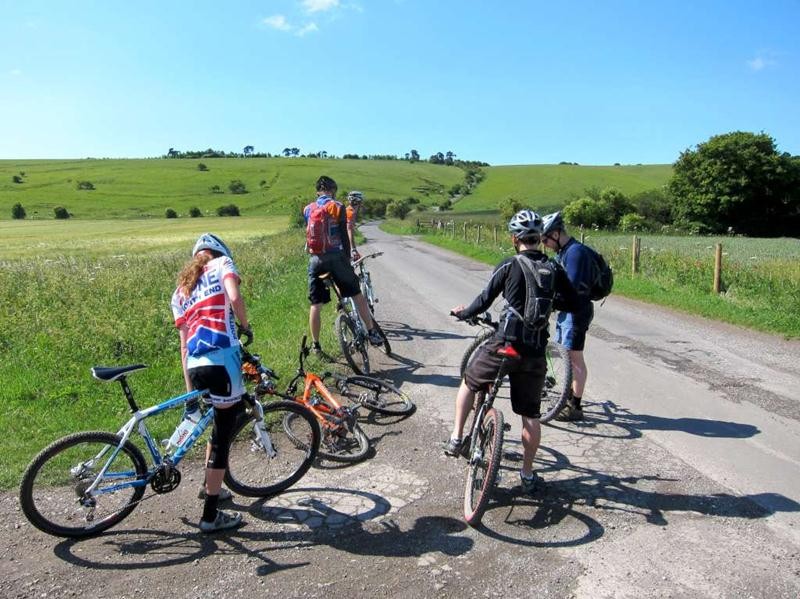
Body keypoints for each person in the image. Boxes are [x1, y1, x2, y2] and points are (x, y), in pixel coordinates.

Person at [446, 210, 578, 493]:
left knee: (469, 381)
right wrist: (550, 303)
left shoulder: (509, 264)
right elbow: (571, 302)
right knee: (530, 415)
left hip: (505, 343)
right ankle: (527, 475)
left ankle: (456, 438)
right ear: (540, 238)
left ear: (514, 239)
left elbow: (484, 300)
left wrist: (463, 312)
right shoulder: (554, 268)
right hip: (535, 350)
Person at [171, 233, 252, 533]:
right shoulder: (222, 265)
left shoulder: (181, 289)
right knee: (221, 436)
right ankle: (210, 516)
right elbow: (234, 297)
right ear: (218, 253)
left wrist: (189, 392)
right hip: (222, 361)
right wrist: (246, 326)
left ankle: (209, 485)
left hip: (196, 366)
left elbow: (183, 346)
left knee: (218, 422)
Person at [303, 176, 382, 353]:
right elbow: (344, 237)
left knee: (315, 304)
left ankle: (316, 345)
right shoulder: (337, 207)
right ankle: (371, 332)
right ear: (333, 191)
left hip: (316, 260)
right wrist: (348, 259)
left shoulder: (308, 209)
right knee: (357, 294)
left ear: (317, 191)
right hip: (336, 257)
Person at [541, 211, 594, 421]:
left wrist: (554, 300)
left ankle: (575, 406)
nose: (545, 244)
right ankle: (568, 396)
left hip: (576, 312)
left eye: (545, 239)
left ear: (555, 234)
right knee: (567, 356)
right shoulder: (565, 252)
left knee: (575, 358)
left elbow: (572, 289)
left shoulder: (575, 253)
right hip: (568, 312)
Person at [345, 190, 364, 262]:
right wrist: (354, 249)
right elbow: (349, 230)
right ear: (357, 201)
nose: (361, 203)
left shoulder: (348, 210)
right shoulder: (350, 212)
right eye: (360, 201)